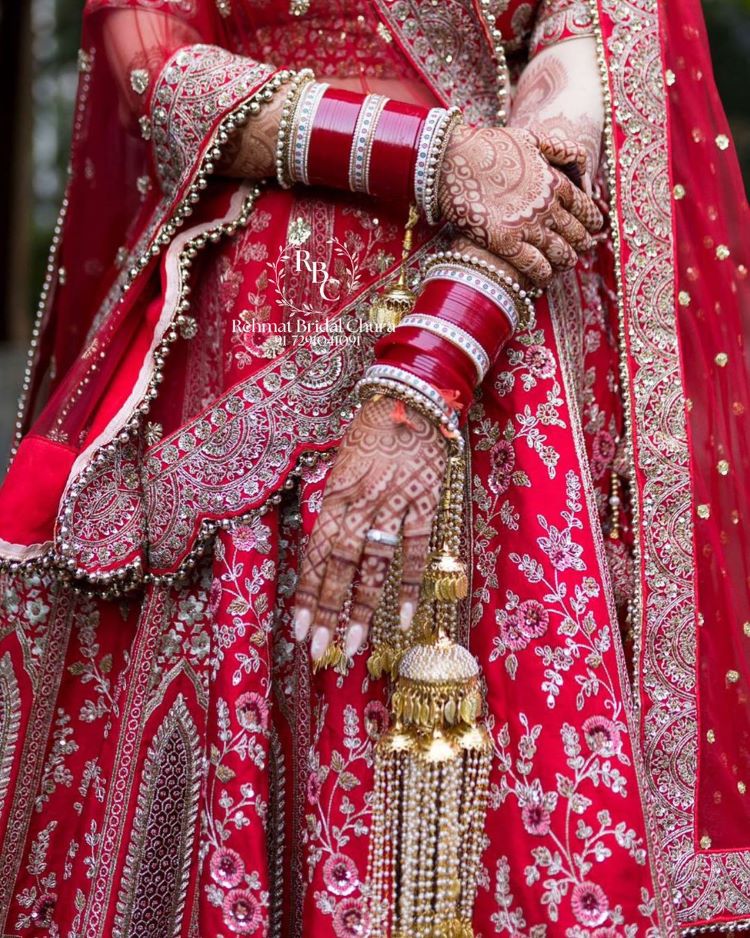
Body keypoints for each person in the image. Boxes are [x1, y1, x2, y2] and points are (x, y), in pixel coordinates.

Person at [0, 0, 747, 934]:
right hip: (230, 381)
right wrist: (436, 156)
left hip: (491, 353)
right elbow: (160, 74)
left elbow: (566, 128)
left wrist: (429, 366)